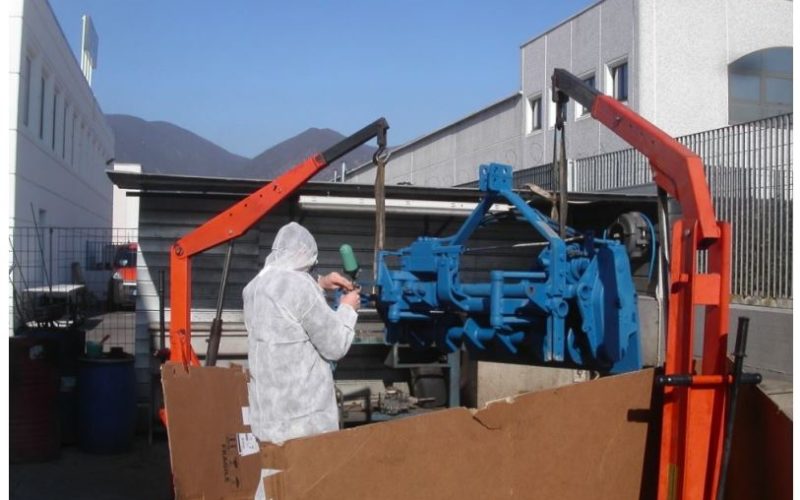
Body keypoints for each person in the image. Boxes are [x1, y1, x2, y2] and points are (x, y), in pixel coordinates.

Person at [243, 222, 361, 445]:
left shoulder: (254, 287)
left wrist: (321, 282)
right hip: (304, 423)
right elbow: (335, 345)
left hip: (268, 421)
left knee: (273, 467)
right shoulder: (300, 286)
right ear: (303, 255)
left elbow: (287, 298)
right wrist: (348, 308)